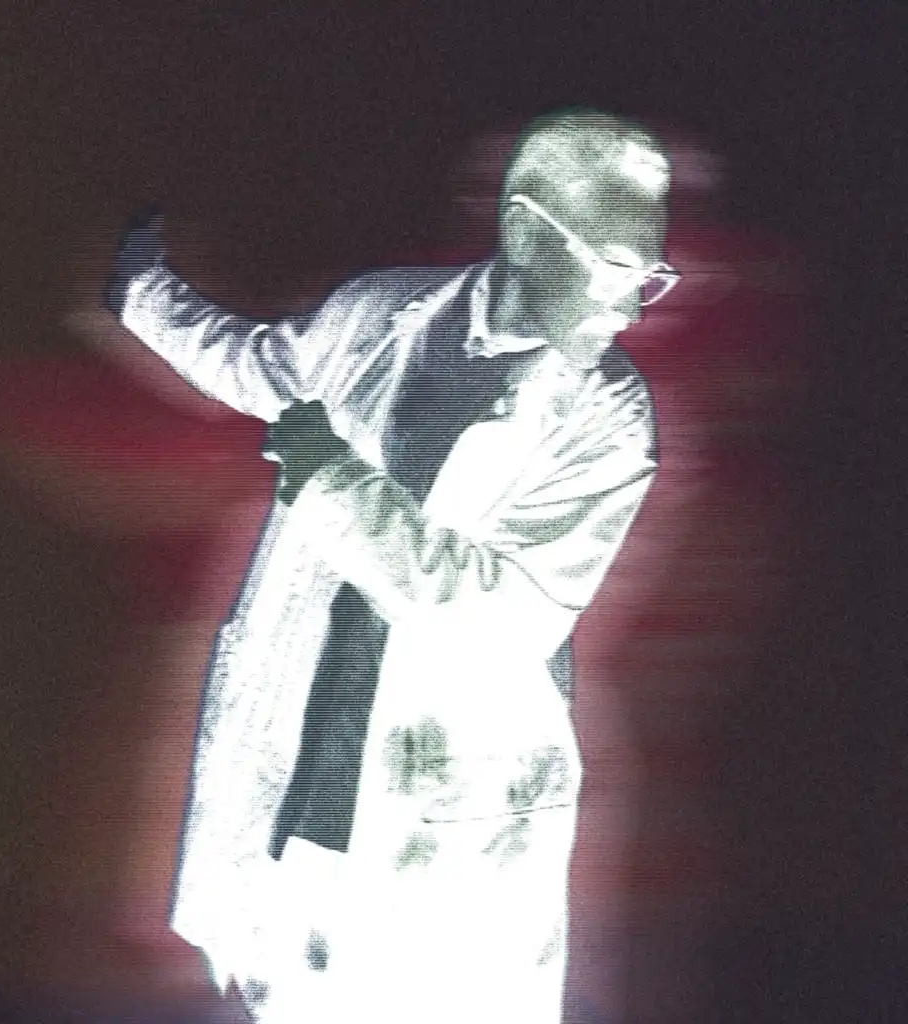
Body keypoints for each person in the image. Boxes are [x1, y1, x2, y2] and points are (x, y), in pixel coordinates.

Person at [94, 107, 679, 1024]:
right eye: (615, 266)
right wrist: (140, 293)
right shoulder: (379, 313)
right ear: (526, 229)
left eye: (650, 274)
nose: (634, 303)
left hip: (445, 812)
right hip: (301, 779)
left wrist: (329, 480)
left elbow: (504, 616)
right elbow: (256, 365)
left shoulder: (607, 416)